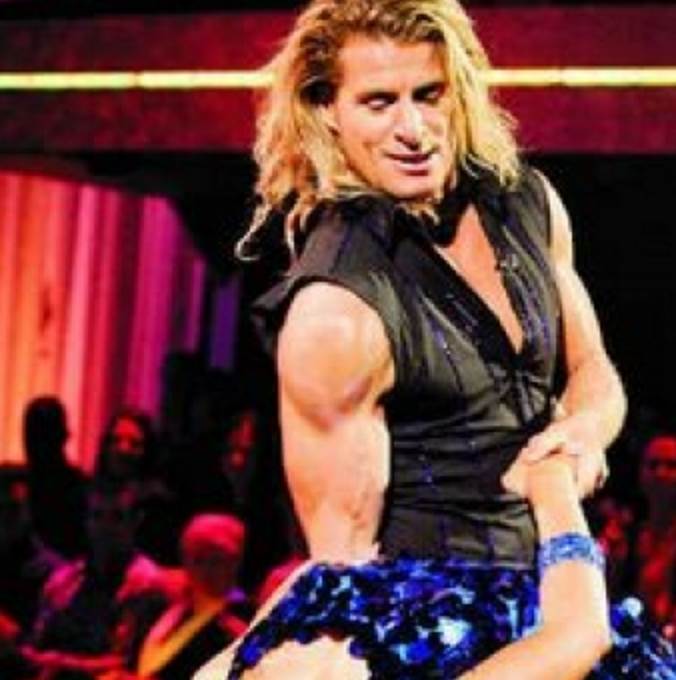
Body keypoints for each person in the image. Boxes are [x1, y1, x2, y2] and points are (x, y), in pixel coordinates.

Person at [197, 0, 675, 677]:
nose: (412, 129)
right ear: (327, 110)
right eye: (379, 102)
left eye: (428, 95)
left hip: (561, 586)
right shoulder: (335, 313)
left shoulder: (528, 203)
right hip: (427, 631)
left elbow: (592, 368)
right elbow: (346, 568)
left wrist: (581, 436)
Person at [133, 514, 249, 680]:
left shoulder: (247, 619)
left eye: (217, 560)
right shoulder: (165, 613)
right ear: (185, 561)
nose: (207, 570)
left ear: (235, 562)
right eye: (199, 560)